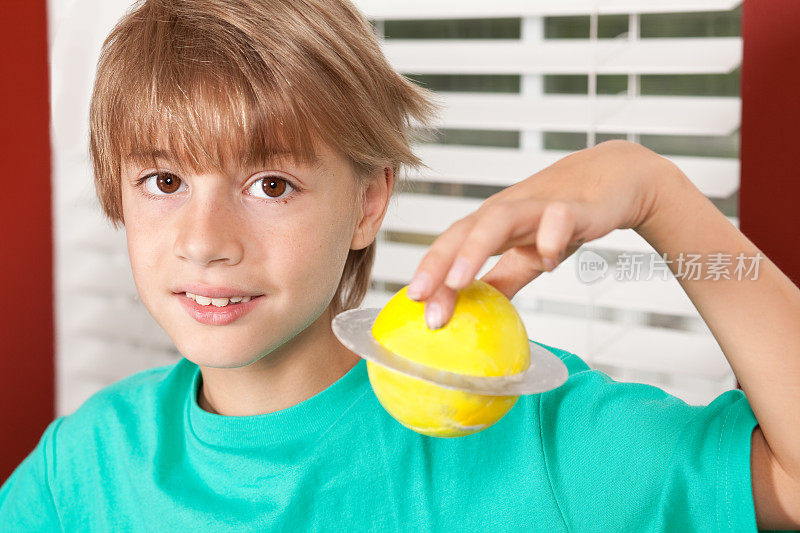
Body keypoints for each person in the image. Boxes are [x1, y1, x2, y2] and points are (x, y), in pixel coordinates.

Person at [1, 0, 799, 530]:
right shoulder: (85, 467)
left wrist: (660, 196)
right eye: (164, 180)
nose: (206, 240)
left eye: (271, 183)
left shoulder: (527, 436)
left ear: (369, 201)